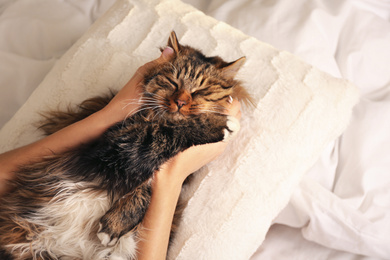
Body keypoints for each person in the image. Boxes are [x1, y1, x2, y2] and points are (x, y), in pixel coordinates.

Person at [0, 47, 241, 259]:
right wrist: (174, 169)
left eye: (201, 93)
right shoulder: (134, 128)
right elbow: (119, 155)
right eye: (173, 85)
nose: (181, 99)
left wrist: (108, 115)